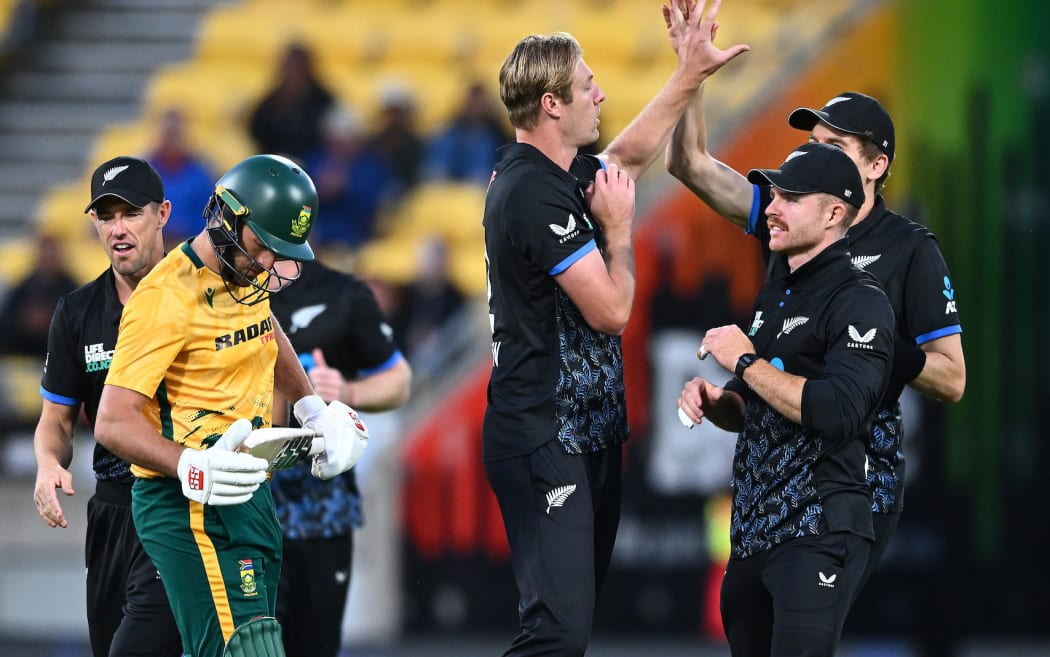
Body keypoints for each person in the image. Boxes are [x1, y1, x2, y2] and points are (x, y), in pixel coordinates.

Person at [482, 2, 748, 655]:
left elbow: (624, 159)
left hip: (583, 431)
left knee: (567, 626)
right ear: (551, 104)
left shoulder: (551, 175)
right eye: (587, 86)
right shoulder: (530, 191)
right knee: (557, 631)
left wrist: (688, 74)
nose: (600, 94)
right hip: (543, 431)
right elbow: (611, 310)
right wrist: (621, 233)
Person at [665, 88, 966, 591]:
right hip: (775, 475)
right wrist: (691, 78)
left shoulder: (909, 248)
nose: (817, 156)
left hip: (856, 479)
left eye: (836, 146)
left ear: (876, 166)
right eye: (813, 143)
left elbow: (952, 378)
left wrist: (867, 338)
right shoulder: (789, 223)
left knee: (807, 619)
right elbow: (689, 164)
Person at [93, 153, 369, 657]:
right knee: (245, 649)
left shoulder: (242, 274)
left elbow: (265, 330)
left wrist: (311, 407)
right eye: (262, 246)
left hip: (249, 492)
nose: (269, 264)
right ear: (228, 217)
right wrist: (189, 464)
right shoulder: (163, 298)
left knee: (251, 642)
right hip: (189, 502)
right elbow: (111, 422)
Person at [675, 142, 895, 657]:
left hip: (818, 527)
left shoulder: (861, 301)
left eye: (791, 198)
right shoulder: (777, 292)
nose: (772, 207)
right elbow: (755, 400)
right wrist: (717, 400)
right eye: (774, 195)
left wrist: (745, 362)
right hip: (754, 532)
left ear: (834, 213)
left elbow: (838, 410)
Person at [32, 156, 182, 657]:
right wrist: (48, 463)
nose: (118, 229)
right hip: (112, 512)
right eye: (105, 216)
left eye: (131, 213)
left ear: (162, 214)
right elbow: (56, 420)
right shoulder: (77, 311)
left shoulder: (201, 297)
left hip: (181, 505)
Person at [267, 258, 412, 657]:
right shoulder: (218, 287)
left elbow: (398, 381)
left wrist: (348, 392)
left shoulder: (342, 294)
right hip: (246, 500)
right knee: (250, 644)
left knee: (317, 645)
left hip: (321, 504)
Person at [304, 104, 393, 250]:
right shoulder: (316, 160)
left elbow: (373, 207)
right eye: (334, 141)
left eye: (343, 140)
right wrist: (319, 190)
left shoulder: (372, 166)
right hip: (315, 233)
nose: (338, 146)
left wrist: (345, 189)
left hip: (354, 236)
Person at [248, 42, 335, 162]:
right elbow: (257, 130)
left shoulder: (322, 100)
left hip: (309, 162)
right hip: (273, 162)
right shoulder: (272, 99)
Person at [146, 107, 216, 247]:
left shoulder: (201, 175)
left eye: (175, 135)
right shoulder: (143, 173)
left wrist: (184, 228)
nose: (171, 142)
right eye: (167, 135)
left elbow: (212, 218)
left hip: (190, 247)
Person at [0, 233, 78, 355]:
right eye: (44, 258)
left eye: (51, 258)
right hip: (21, 356)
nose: (48, 263)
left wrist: (51, 322)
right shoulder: (22, 289)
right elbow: (6, 324)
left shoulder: (74, 291)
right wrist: (24, 321)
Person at [422, 81, 513, 186]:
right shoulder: (449, 134)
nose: (475, 108)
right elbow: (436, 167)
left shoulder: (497, 137)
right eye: (473, 103)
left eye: (479, 104)